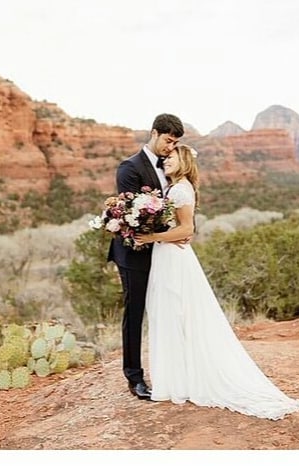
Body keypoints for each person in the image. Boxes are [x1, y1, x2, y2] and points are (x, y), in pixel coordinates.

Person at [134, 145, 299, 419]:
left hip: (173, 259)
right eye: (165, 158)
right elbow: (179, 228)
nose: (165, 161)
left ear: (184, 161)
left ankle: (178, 382)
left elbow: (187, 229)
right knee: (172, 314)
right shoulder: (175, 187)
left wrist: (150, 237)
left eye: (171, 158)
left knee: (175, 312)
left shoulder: (179, 189)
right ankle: (179, 379)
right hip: (168, 255)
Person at [108, 113, 185, 400]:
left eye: (175, 142)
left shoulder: (171, 167)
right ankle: (134, 377)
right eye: (168, 140)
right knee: (135, 312)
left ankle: (172, 371)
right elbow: (131, 215)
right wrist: (170, 230)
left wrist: (180, 230)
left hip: (165, 251)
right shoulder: (129, 167)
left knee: (168, 311)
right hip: (134, 252)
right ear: (154, 133)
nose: (170, 147)